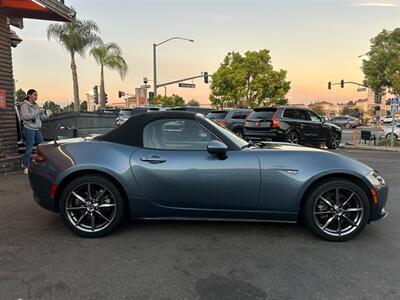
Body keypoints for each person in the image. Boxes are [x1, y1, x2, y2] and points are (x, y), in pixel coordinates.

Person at [20, 89, 48, 174]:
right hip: (28, 129)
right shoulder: (24, 105)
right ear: (29, 95)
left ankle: (43, 165)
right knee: (29, 148)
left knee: (43, 146)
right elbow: (26, 116)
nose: (36, 96)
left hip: (36, 129)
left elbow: (42, 118)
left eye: (37, 95)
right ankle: (25, 166)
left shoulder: (36, 106)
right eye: (34, 95)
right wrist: (38, 111)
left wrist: (48, 115)